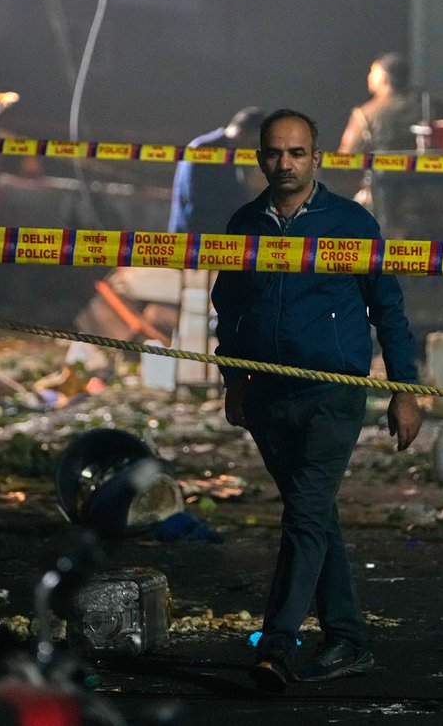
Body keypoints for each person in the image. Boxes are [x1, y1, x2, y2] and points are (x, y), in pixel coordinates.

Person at [210, 109, 422, 691]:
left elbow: (390, 311)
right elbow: (227, 305)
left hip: (334, 392)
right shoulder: (244, 224)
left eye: (296, 153)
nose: (285, 164)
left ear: (317, 157)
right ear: (259, 158)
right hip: (267, 394)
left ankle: (275, 644)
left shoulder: (352, 223)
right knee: (316, 516)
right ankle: (349, 638)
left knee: (304, 513)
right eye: (275, 153)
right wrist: (234, 379)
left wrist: (406, 390)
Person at [168, 106, 264, 235]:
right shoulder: (205, 150)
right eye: (254, 142)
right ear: (242, 133)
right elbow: (203, 200)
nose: (254, 148)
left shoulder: (231, 152)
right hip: (194, 240)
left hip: (213, 239)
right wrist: (249, 188)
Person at [337, 52, 420, 154]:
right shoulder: (426, 107)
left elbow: (345, 156)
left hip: (381, 169)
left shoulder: (365, 114)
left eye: (373, 72)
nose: (369, 76)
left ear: (383, 77)